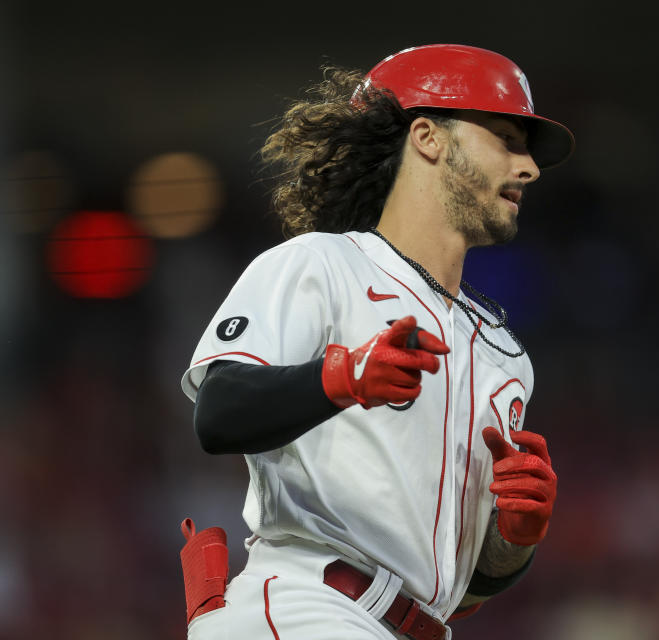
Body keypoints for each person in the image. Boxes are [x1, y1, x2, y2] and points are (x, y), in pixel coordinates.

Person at [179, 44, 573, 640]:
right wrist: (340, 378)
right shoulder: (323, 263)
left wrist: (513, 539)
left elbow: (461, 583)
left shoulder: (504, 355)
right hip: (310, 606)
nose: (528, 168)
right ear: (428, 137)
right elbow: (220, 412)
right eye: (507, 139)